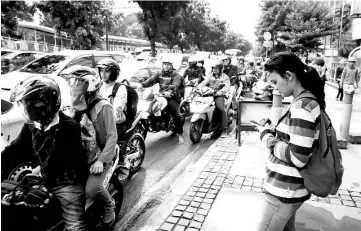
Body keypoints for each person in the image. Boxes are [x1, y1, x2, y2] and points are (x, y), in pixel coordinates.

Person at [3, 76, 88, 231]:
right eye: (25, 103)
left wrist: (34, 183)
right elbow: (15, 148)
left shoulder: (69, 128)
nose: (26, 108)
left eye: (31, 103)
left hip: (66, 181)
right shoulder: (34, 124)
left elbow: (55, 162)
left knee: (75, 225)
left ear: (46, 105)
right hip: (43, 172)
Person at [255, 51, 324, 231]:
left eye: (275, 82)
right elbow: (295, 138)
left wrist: (266, 137)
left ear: (289, 76)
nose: (275, 88)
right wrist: (272, 129)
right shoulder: (303, 102)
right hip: (288, 190)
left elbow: (298, 157)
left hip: (284, 191)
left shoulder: (302, 107)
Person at [67, 65, 118, 226]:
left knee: (92, 189)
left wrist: (101, 160)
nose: (75, 85)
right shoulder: (75, 108)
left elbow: (112, 136)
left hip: (102, 155)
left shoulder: (104, 107)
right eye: (74, 81)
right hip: (82, 154)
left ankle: (110, 204)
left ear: (90, 86)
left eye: (80, 82)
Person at [138, 58, 185, 144]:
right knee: (149, 107)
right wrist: (142, 85)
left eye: (168, 64)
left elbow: (175, 85)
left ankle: (180, 134)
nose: (166, 66)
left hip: (173, 96)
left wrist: (170, 92)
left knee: (177, 114)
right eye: (164, 64)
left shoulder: (176, 75)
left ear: (172, 66)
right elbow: (150, 81)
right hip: (161, 95)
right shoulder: (159, 74)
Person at [198, 60, 230, 138]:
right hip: (209, 94)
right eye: (213, 68)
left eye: (216, 68)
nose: (214, 69)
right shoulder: (209, 76)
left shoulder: (224, 77)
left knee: (221, 109)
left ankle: (224, 129)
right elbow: (204, 82)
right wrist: (198, 88)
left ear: (220, 68)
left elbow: (227, 86)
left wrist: (221, 92)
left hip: (218, 95)